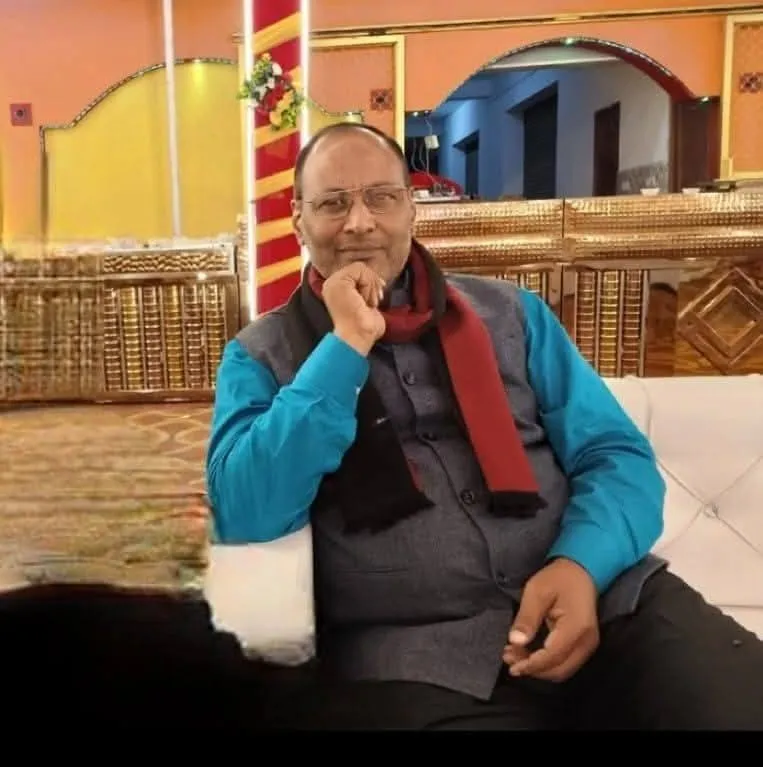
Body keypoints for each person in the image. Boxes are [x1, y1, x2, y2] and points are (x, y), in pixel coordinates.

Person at [206, 122, 763, 730]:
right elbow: (246, 508)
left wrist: (581, 565)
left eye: (381, 197)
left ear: (411, 207)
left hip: (606, 606)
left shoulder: (513, 315)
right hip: (415, 661)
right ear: (299, 220)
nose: (359, 222)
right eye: (333, 203)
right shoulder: (259, 356)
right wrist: (344, 348)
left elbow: (614, 454)